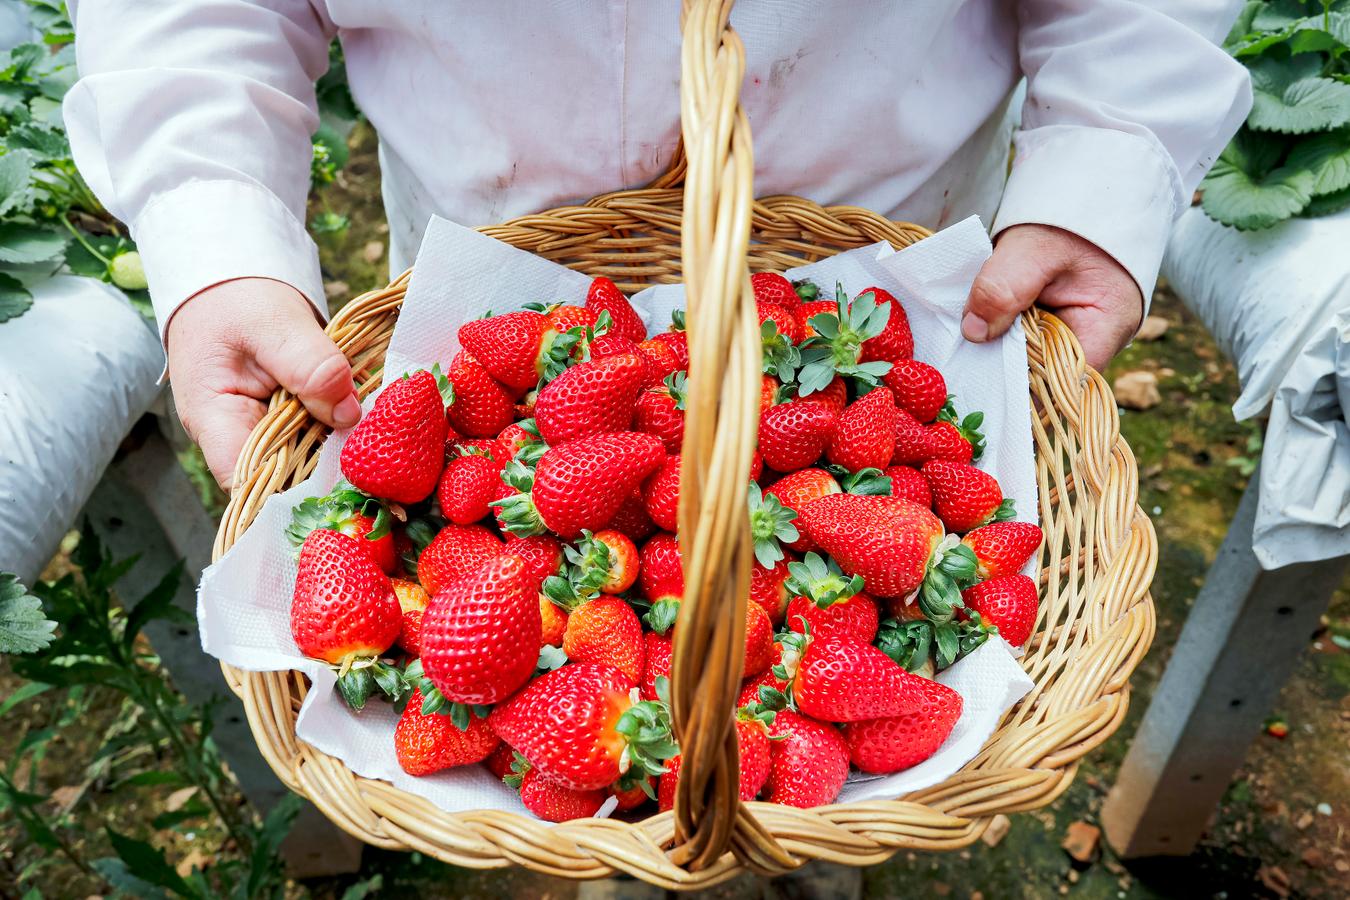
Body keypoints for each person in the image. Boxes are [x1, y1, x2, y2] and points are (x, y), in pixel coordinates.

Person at [62, 1, 1251, 489]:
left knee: (869, 466)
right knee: (493, 472)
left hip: (885, 242)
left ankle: (800, 822)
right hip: (487, 252)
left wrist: (1106, 160)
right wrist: (214, 225)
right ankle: (636, 810)